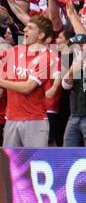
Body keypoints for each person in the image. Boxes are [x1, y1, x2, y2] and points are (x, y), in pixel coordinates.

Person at [0, 16, 56, 147]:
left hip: (34, 121)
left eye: (30, 28)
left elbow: (28, 87)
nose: (24, 29)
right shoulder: (15, 51)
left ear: (41, 35)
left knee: (34, 165)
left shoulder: (47, 58)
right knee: (9, 166)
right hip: (11, 119)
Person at [59, 32, 86, 146]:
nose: (79, 48)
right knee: (68, 149)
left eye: (81, 45)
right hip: (74, 115)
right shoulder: (74, 62)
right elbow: (65, 85)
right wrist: (72, 70)